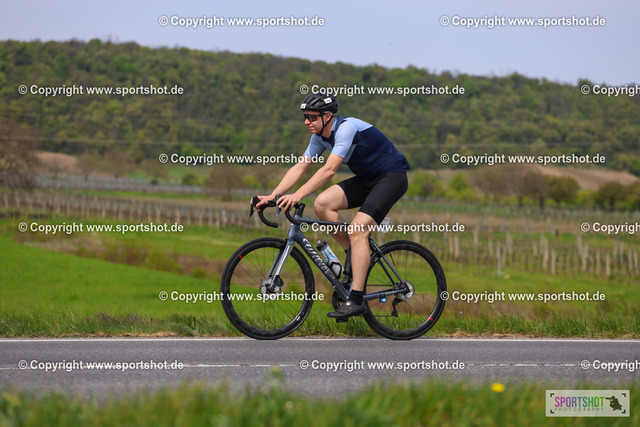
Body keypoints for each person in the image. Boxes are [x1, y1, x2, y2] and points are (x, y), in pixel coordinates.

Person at [255, 93, 409, 319]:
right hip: (367, 179)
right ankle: (352, 258)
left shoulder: (346, 128)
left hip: (391, 177)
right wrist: (273, 195)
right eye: (305, 117)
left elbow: (329, 170)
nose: (307, 122)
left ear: (327, 116)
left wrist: (297, 195)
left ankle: (356, 300)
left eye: (312, 117)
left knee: (358, 230)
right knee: (322, 204)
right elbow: (300, 166)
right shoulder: (319, 137)